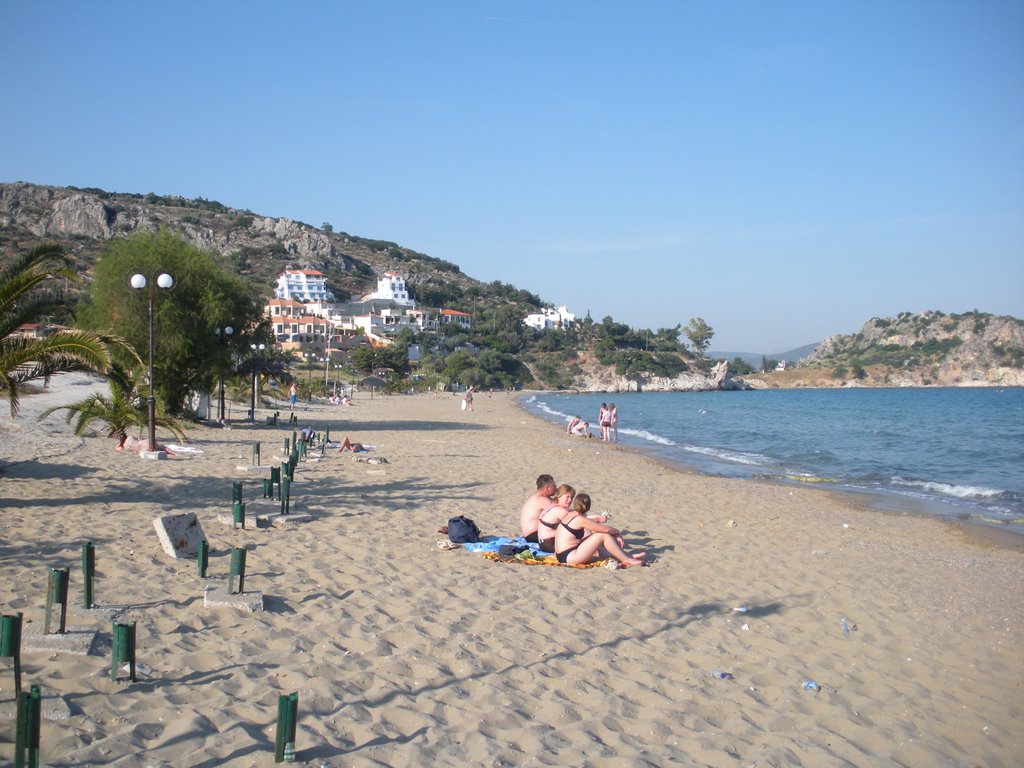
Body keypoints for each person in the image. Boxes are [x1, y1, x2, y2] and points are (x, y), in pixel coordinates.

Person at [554, 495, 645, 567]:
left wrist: (602, 520)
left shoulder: (571, 514)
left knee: (596, 537)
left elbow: (592, 522)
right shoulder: (580, 519)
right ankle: (626, 559)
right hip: (569, 557)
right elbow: (606, 529)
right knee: (603, 535)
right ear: (588, 507)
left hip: (561, 555)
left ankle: (626, 555)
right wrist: (618, 533)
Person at [535, 483, 575, 553]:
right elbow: (577, 522)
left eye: (571, 497)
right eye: (567, 497)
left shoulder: (551, 506)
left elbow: (575, 515)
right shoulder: (560, 511)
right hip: (549, 544)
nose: (570, 500)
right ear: (559, 496)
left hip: (542, 544)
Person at [519, 474, 557, 542]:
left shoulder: (535, 497)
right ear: (548, 488)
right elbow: (558, 511)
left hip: (530, 534)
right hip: (533, 535)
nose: (556, 487)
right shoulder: (541, 499)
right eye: (554, 486)